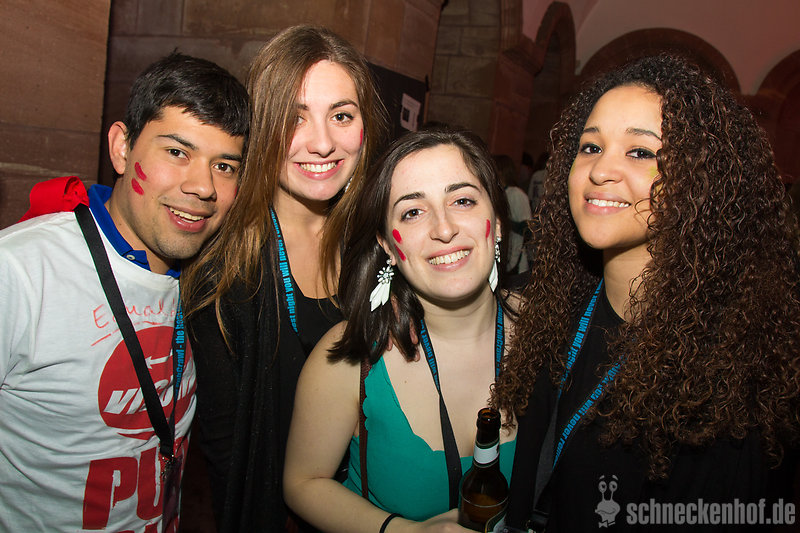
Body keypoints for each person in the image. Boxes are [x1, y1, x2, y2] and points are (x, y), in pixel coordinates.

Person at [492, 54, 800, 532]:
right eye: (590, 147)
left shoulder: (729, 377)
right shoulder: (553, 309)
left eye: (640, 152)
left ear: (700, 179)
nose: (601, 171)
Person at [0, 52, 249, 532]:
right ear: (122, 148)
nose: (203, 187)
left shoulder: (211, 281)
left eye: (224, 165)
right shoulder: (21, 272)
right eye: (177, 152)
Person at [181, 25, 387, 532]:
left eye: (342, 115)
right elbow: (230, 459)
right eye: (295, 118)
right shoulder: (224, 269)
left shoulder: (381, 246)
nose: (322, 143)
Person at [284, 127, 518, 532]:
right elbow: (303, 483)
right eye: (412, 212)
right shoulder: (351, 355)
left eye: (462, 200)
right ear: (388, 246)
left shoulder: (554, 333)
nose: (443, 228)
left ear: (496, 222)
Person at [494, 154, 532, 274]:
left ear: (501, 171)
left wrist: (504, 223)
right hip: (502, 256)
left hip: (516, 258)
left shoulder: (517, 194)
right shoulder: (497, 193)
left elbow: (527, 227)